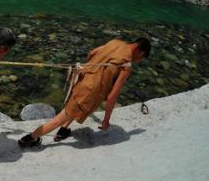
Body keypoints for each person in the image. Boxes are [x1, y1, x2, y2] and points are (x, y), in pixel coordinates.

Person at [18, 38, 151, 148]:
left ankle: (64, 130)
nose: (138, 61)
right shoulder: (126, 65)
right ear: (140, 52)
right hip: (89, 91)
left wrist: (92, 71)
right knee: (57, 120)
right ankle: (28, 139)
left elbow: (92, 52)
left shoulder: (115, 42)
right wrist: (106, 120)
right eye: (141, 58)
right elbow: (112, 97)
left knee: (72, 108)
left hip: (82, 77)